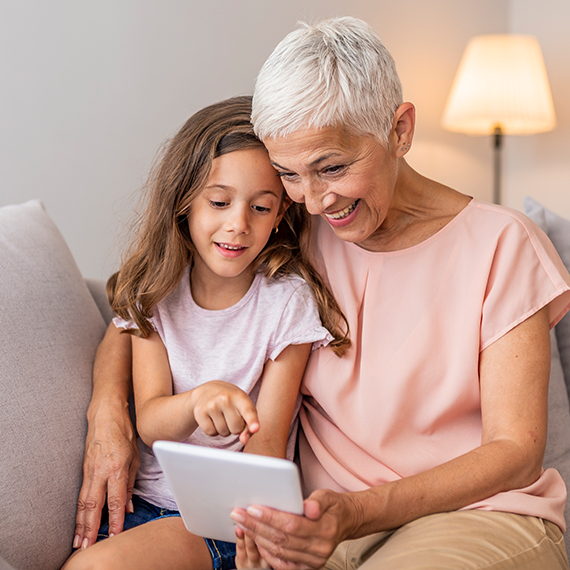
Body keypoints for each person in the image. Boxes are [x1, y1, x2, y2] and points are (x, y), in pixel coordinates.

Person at [75, 17, 570, 570]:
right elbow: (140, 299)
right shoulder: (287, 230)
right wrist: (107, 414)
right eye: (289, 174)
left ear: (400, 130)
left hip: (473, 518)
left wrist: (357, 511)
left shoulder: (503, 244)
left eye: (331, 167)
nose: (312, 200)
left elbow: (516, 451)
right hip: (318, 529)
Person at [64, 96, 349, 570]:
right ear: (184, 202)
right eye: (219, 202)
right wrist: (199, 401)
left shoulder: (286, 302)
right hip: (142, 504)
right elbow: (151, 424)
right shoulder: (155, 290)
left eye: (261, 207)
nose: (238, 225)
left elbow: (268, 444)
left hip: (216, 523)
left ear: (280, 214)